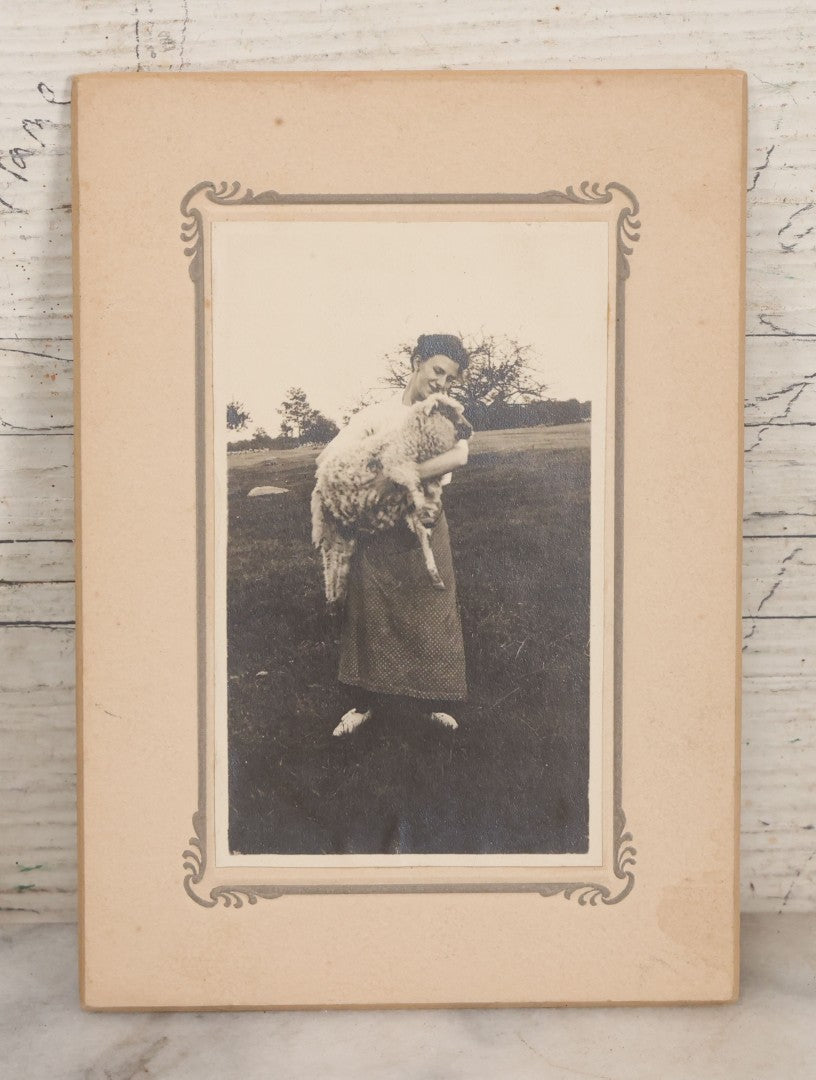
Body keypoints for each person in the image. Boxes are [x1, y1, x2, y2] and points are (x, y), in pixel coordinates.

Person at [318, 333, 471, 737]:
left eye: (451, 379)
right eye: (438, 371)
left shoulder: (442, 415)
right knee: (374, 612)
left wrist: (398, 480)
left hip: (424, 519)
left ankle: (433, 701)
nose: (442, 383)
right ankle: (366, 701)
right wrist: (370, 485)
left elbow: (456, 458)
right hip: (379, 529)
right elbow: (336, 460)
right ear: (417, 362)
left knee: (433, 608)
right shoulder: (376, 415)